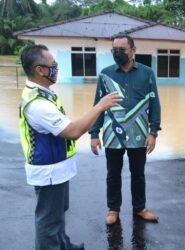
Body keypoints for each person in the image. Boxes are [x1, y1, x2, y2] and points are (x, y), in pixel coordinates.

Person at [19, 44, 121, 250]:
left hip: (56, 167)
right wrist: (99, 106)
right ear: (40, 70)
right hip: (48, 171)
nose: (56, 69)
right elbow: (72, 131)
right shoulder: (38, 104)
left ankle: (63, 244)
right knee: (48, 220)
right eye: (53, 65)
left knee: (58, 212)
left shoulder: (43, 93)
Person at [89, 34, 161, 225]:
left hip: (139, 133)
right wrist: (94, 134)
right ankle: (113, 209)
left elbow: (155, 103)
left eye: (122, 50)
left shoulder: (147, 73)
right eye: (114, 50)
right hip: (113, 133)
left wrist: (153, 132)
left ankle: (140, 208)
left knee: (138, 173)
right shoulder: (105, 74)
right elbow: (98, 105)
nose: (117, 53)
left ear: (133, 50)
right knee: (113, 174)